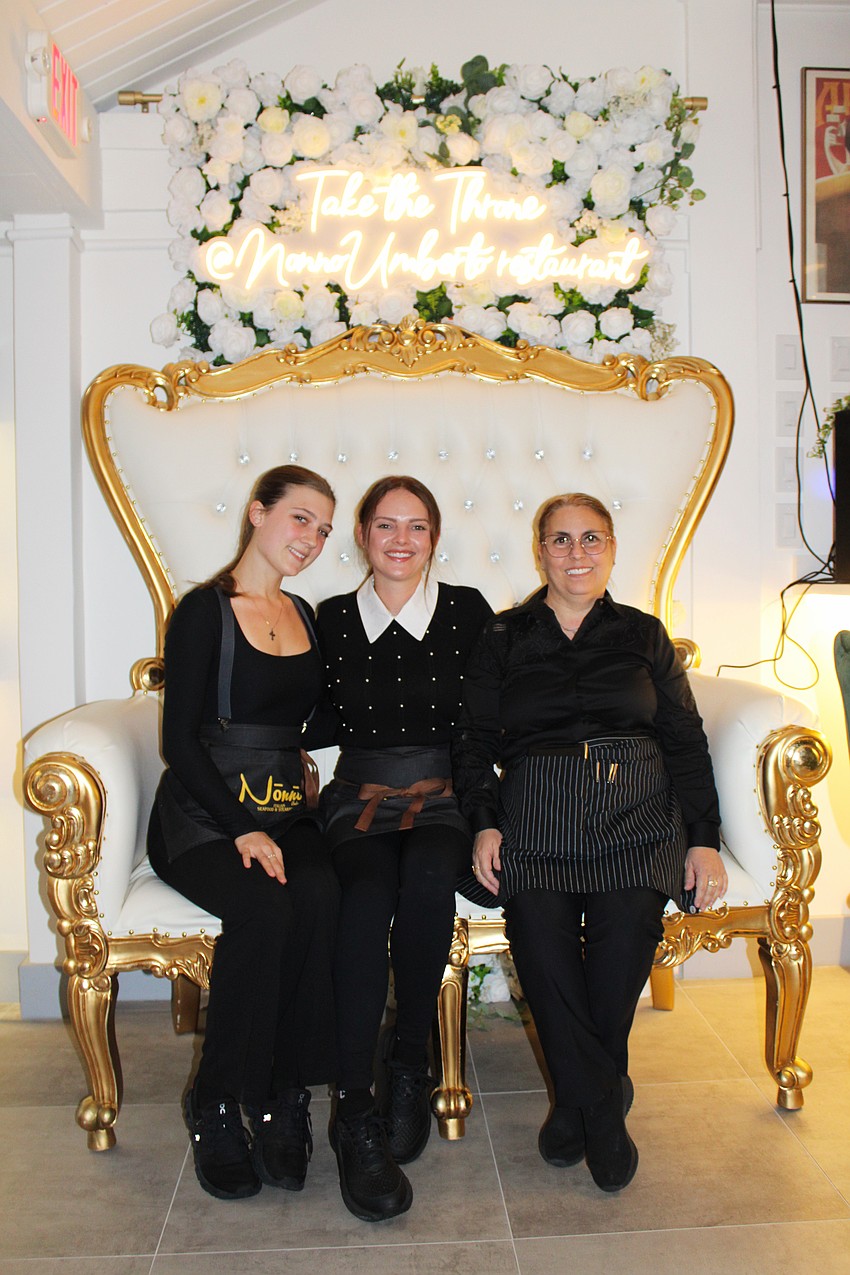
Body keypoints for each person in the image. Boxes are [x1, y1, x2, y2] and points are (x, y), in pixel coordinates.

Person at [453, 492, 727, 1193]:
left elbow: (685, 738)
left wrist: (703, 839)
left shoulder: (642, 634)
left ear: (612, 547)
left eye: (592, 538)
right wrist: (485, 819)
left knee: (622, 935)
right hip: (537, 814)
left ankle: (579, 1101)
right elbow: (475, 741)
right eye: (561, 539)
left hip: (636, 811)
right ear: (539, 550)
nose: (577, 553)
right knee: (540, 939)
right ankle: (602, 1100)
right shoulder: (504, 637)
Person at [147, 465, 340, 1202]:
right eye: (300, 519)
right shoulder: (204, 611)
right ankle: (219, 1100)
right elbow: (179, 742)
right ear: (258, 513)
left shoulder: (308, 616)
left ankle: (284, 1092)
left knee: (323, 894)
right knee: (264, 905)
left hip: (285, 804)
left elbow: (316, 720)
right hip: (203, 814)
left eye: (323, 529)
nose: (312, 539)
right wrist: (239, 831)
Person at [316, 476, 492, 1222]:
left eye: (415, 527)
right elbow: (296, 710)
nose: (399, 540)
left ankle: (409, 1061)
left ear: (434, 538)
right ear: (360, 534)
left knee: (425, 880)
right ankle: (353, 1103)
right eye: (384, 525)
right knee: (362, 898)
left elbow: (488, 721)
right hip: (357, 797)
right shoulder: (326, 617)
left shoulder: (469, 611)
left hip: (444, 796)